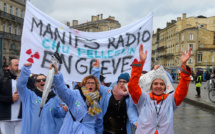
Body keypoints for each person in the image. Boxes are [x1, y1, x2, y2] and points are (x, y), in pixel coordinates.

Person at [128, 44, 192, 134]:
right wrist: (141, 62)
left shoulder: (170, 100)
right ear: (151, 86)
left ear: (165, 88)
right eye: (155, 84)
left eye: (162, 84)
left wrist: (184, 65)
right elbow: (132, 86)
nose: (158, 86)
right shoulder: (143, 99)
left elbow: (182, 89)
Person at [51, 63, 103, 134]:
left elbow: (98, 123)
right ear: (84, 85)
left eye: (93, 83)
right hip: (71, 130)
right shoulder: (75, 95)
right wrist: (57, 74)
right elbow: (62, 90)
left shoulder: (97, 101)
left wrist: (96, 69)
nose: (90, 85)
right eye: (88, 83)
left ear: (96, 86)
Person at [16, 63, 67, 134]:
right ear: (36, 83)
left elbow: (58, 113)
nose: (41, 81)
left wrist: (63, 110)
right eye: (38, 80)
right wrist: (25, 69)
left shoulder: (54, 97)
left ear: (48, 81)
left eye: (44, 79)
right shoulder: (29, 95)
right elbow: (20, 86)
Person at [92, 60, 136, 134]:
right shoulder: (108, 92)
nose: (121, 84)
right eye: (120, 81)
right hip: (105, 130)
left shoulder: (131, 97)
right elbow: (97, 84)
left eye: (124, 82)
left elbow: (133, 112)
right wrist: (96, 70)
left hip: (122, 131)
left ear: (128, 84)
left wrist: (135, 122)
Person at [0, 59, 22, 134]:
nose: (18, 67)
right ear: (10, 67)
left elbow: (32, 93)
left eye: (19, 65)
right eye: (16, 65)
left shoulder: (26, 79)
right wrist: (10, 99)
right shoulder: (3, 79)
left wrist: (24, 83)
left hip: (21, 118)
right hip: (6, 118)